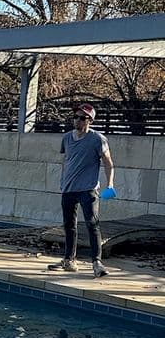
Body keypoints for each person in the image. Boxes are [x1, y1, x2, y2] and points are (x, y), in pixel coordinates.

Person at [48, 104, 114, 277]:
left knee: (92, 224)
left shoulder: (98, 139)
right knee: (69, 225)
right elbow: (66, 161)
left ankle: (97, 263)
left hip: (88, 189)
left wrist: (110, 184)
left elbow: (108, 163)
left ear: (90, 121)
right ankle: (69, 260)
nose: (78, 120)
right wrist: (63, 182)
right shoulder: (67, 138)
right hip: (69, 189)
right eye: (76, 116)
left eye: (82, 118)